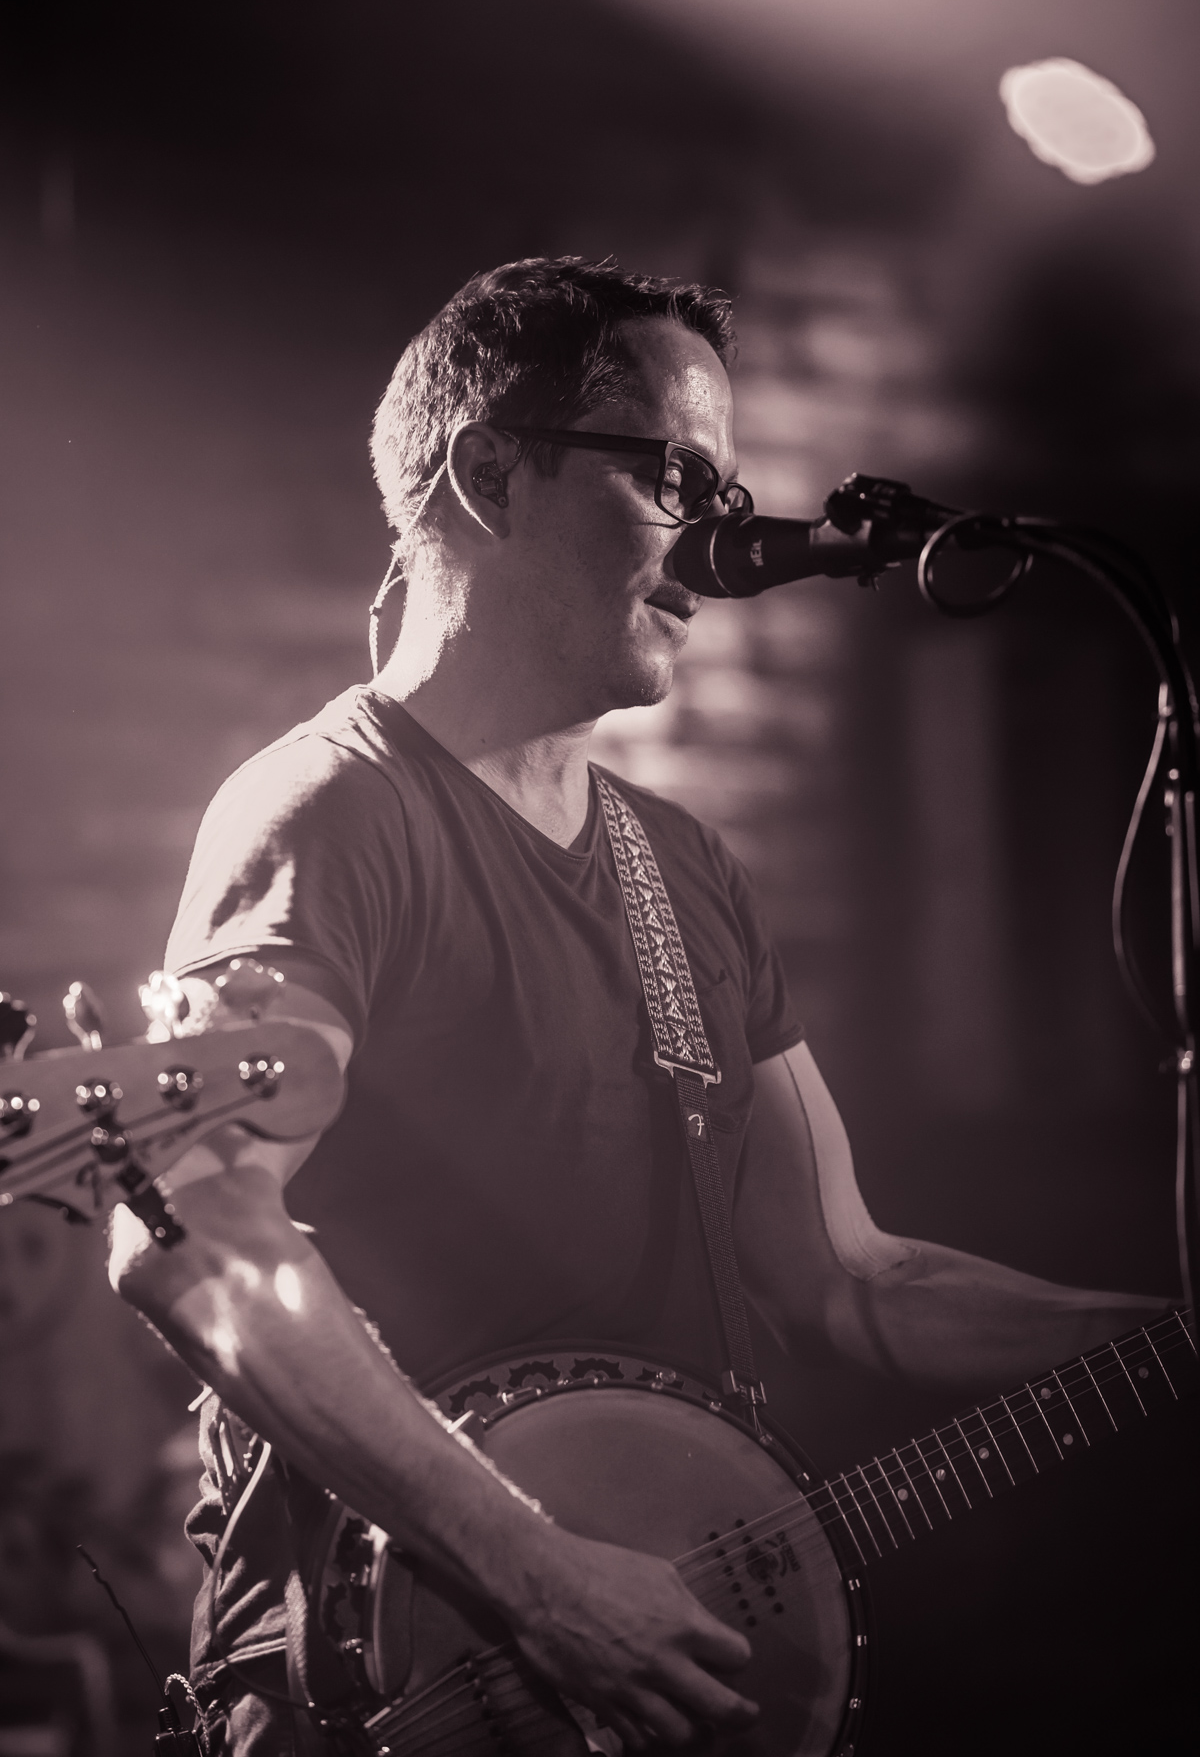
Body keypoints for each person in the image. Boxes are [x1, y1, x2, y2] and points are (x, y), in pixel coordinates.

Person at [110, 257, 1165, 1755]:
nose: (717, 542)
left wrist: (1165, 1335)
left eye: (727, 491)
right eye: (676, 479)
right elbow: (192, 1236)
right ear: (490, 473)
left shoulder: (685, 871)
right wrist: (540, 1579)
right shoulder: (329, 815)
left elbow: (851, 1280)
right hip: (394, 1688)